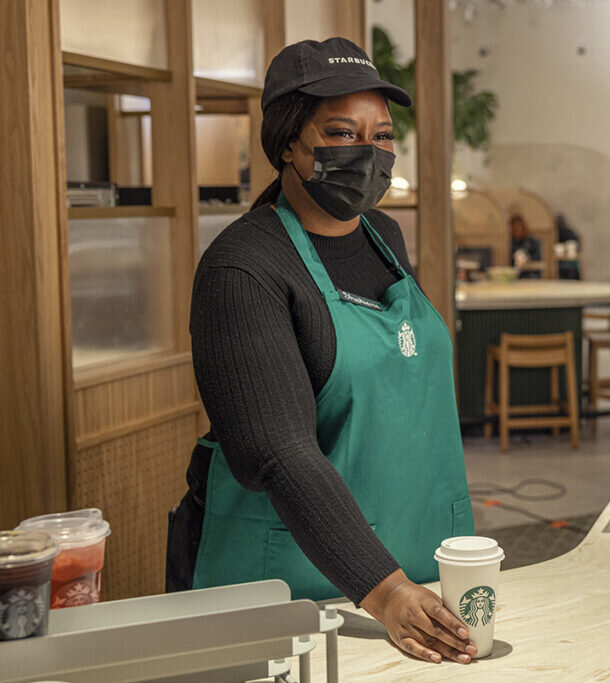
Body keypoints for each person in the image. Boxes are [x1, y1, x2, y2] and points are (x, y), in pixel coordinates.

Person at [165, 37, 477, 665]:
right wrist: (385, 591)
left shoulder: (383, 236)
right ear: (288, 143)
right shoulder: (243, 269)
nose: (369, 153)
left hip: (417, 581)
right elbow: (276, 452)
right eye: (342, 132)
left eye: (382, 135)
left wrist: (412, 585)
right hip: (296, 599)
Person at [509, 213, 541, 278]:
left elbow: (537, 256)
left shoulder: (530, 240)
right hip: (513, 273)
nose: (517, 230)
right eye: (514, 227)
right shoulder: (508, 242)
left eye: (519, 227)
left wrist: (528, 258)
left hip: (529, 272)